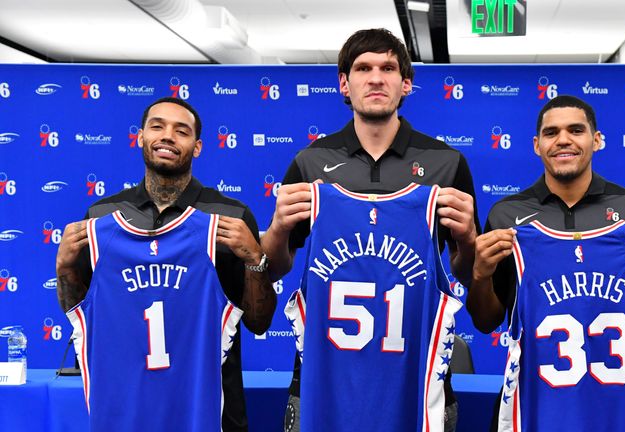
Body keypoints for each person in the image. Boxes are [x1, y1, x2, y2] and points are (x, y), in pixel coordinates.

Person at [261, 28, 479, 432]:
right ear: (344, 83)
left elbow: (467, 273)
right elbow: (273, 266)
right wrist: (276, 228)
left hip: (419, 375)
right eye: (363, 68)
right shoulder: (311, 162)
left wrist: (467, 239)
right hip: (322, 376)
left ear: (406, 84)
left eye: (388, 68)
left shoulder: (445, 163)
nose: (376, 78)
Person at [55, 97, 276, 432]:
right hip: (128, 411)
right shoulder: (102, 217)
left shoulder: (229, 216)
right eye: (157, 126)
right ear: (140, 136)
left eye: (181, 130)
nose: (168, 136)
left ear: (197, 147)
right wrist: (65, 269)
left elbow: (259, 323)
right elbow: (82, 313)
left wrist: (255, 260)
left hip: (212, 413)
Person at [468, 95, 625, 430]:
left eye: (576, 130)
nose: (564, 140)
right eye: (551, 132)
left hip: (616, 408)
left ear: (596, 140)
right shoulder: (508, 215)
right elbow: (487, 321)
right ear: (537, 145)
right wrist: (480, 276)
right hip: (534, 406)